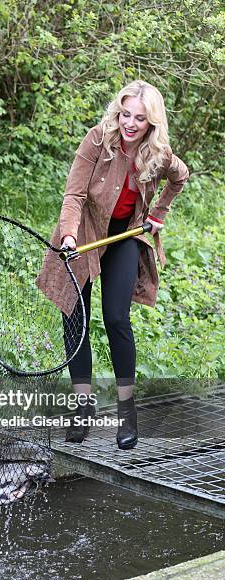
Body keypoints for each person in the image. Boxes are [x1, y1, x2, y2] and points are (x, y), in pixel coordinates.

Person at [36, 80, 189, 448]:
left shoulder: (159, 153)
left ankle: (126, 410)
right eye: (125, 114)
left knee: (117, 318)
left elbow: (179, 177)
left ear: (151, 122)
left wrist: (159, 214)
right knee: (75, 318)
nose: (130, 124)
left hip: (124, 234)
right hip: (85, 230)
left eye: (139, 118)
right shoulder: (96, 140)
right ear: (117, 113)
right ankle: (82, 407)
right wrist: (69, 236)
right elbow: (73, 194)